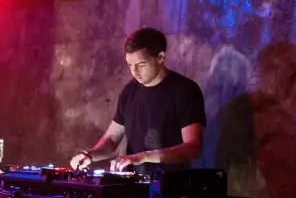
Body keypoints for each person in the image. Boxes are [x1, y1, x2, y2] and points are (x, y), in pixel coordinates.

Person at [70, 27, 205, 173]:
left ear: (160, 57)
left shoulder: (185, 91)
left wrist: (142, 157)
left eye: (141, 65)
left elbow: (192, 148)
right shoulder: (129, 91)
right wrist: (89, 155)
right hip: (135, 184)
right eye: (130, 65)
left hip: (172, 186)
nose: (134, 72)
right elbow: (111, 140)